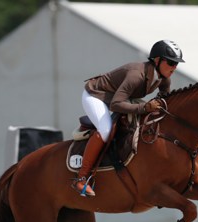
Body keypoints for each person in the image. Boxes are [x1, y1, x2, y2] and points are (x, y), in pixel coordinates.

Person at [73, 39, 185, 197]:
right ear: (158, 60)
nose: (174, 67)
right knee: (106, 130)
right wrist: (145, 107)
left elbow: (165, 101)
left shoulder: (164, 77)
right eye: (171, 62)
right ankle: (82, 178)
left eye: (176, 64)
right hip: (97, 96)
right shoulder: (136, 76)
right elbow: (116, 104)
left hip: (120, 98)